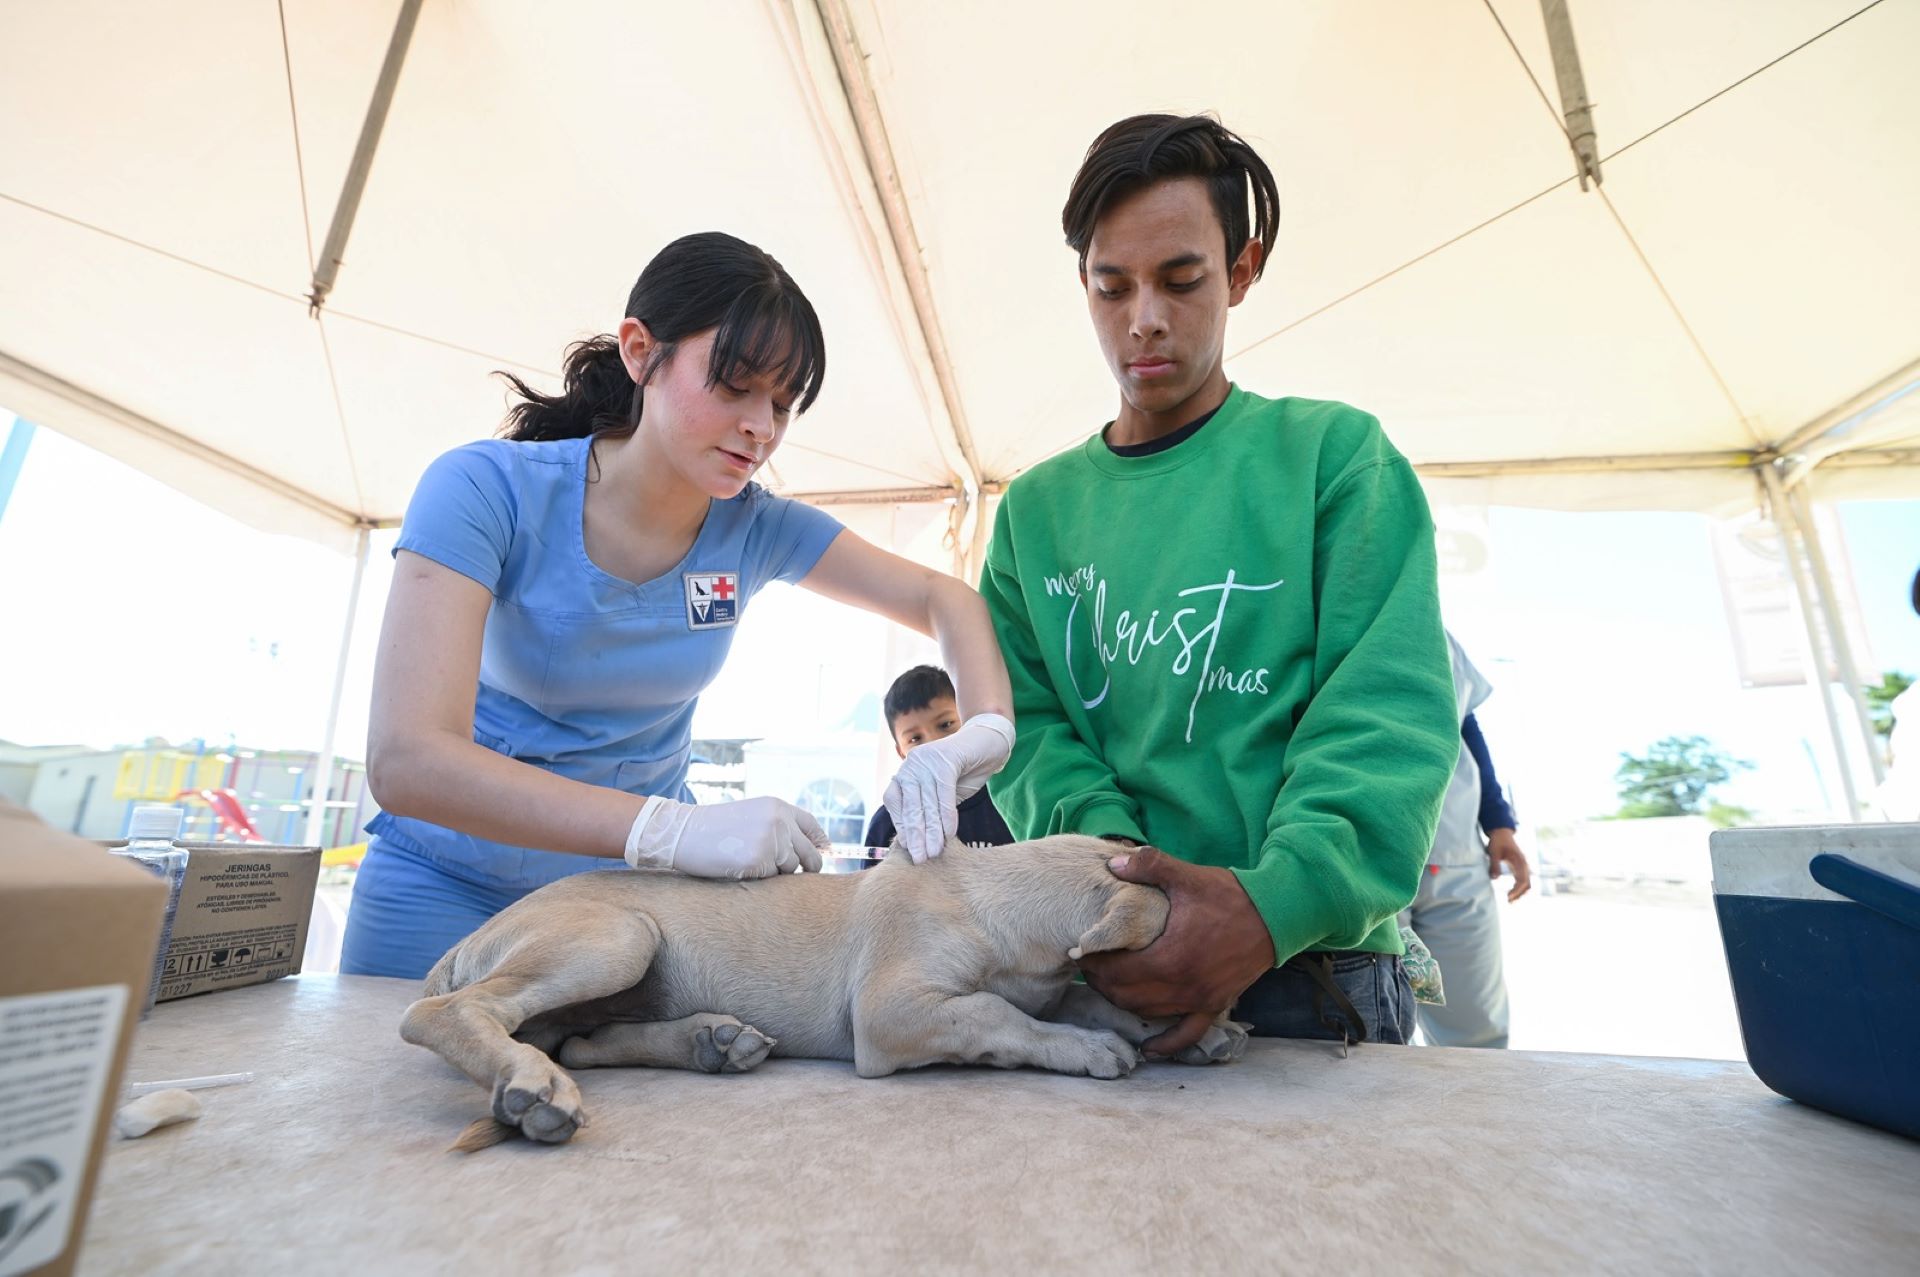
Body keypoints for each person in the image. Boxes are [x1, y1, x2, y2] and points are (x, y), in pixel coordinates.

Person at [341, 232, 1015, 980]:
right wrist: (669, 828)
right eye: (735, 384)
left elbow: (943, 597)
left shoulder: (754, 527)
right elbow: (407, 760)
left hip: (627, 908)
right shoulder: (483, 489)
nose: (762, 426)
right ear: (640, 351)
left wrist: (979, 732)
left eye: (784, 403)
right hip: (443, 887)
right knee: (408, 1084)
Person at [978, 115, 1458, 1053]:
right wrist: (1125, 883)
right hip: (1114, 964)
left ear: (1242, 270)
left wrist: (1269, 904)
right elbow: (1029, 732)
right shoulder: (1033, 514)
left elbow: (1383, 713)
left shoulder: (1334, 458)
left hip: (1315, 978)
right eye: (1111, 287)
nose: (1143, 317)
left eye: (1182, 280)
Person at [1402, 632, 1531, 1049]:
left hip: (1456, 853)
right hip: (1365, 860)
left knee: (1477, 1036)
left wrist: (1498, 823)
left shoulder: (1438, 633)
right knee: (1367, 1032)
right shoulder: (1323, 607)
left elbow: (1465, 725)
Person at [863, 665, 1016, 851]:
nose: (933, 743)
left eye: (946, 724)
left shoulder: (1010, 801)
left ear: (972, 725)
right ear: (901, 753)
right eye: (915, 739)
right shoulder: (888, 824)